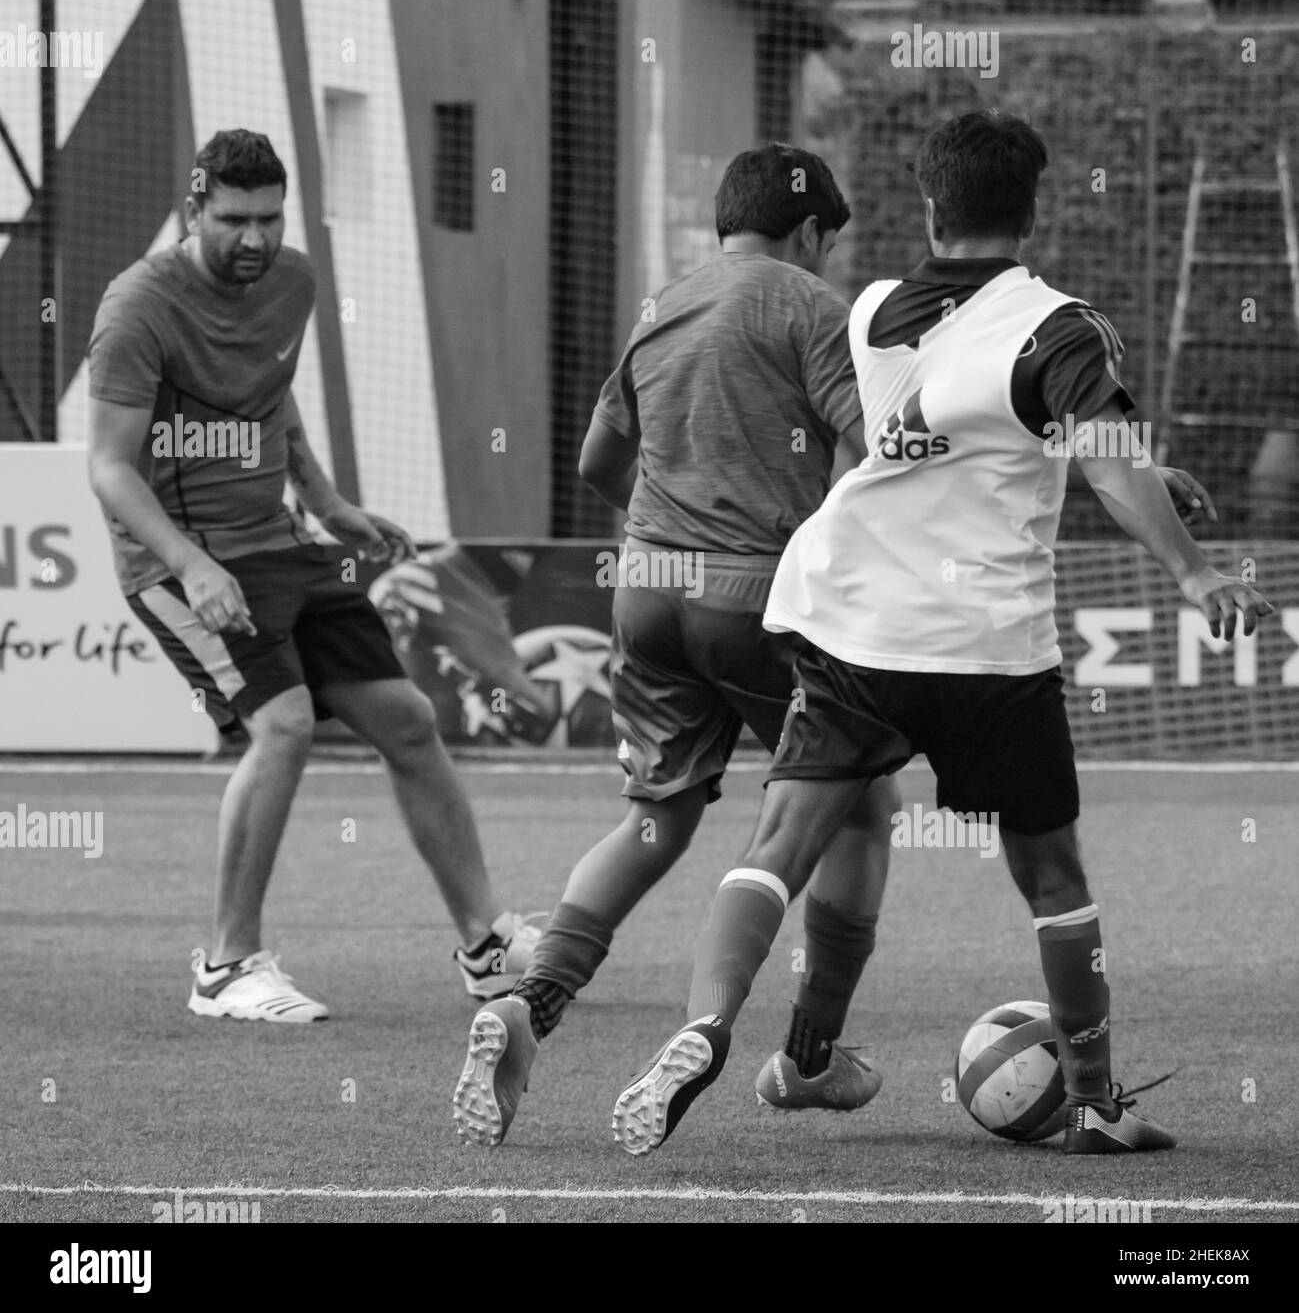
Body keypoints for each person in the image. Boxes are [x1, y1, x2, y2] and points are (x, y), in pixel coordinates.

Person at [611, 110, 1272, 1157]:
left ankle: (707, 1022)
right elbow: (1094, 452)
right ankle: (1095, 1103)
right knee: (1051, 874)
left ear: (930, 205)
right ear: (1034, 210)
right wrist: (1191, 570)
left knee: (778, 845)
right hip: (984, 649)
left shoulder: (871, 309)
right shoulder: (1060, 326)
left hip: (851, 623)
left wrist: (1136, 475)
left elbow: (952, 436)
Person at [452, 144, 902, 1147]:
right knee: (859, 808)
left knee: (655, 818)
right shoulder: (809, 307)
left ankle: (530, 1003)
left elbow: (597, 458)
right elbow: (869, 458)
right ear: (813, 234)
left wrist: (667, 537)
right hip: (759, 598)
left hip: (647, 590)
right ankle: (803, 1052)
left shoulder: (662, 306)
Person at [86, 128, 537, 1022]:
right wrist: (193, 565)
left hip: (279, 540)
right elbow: (109, 467)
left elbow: (271, 390)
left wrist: (327, 504)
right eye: (232, 220)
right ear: (194, 209)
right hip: (177, 558)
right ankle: (225, 966)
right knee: (284, 725)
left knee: (407, 720)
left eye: (268, 217)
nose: (252, 238)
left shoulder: (292, 279)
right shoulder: (136, 307)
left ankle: (486, 947)